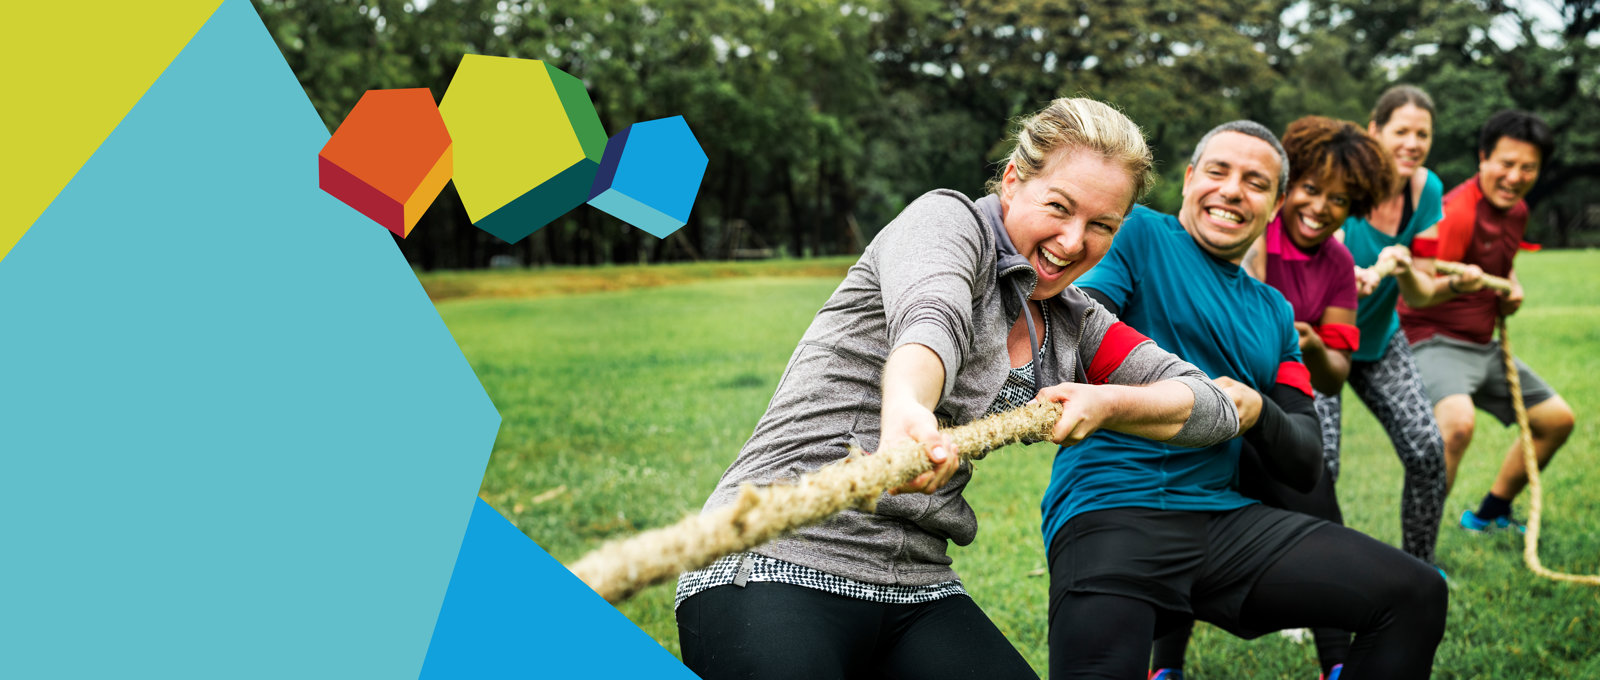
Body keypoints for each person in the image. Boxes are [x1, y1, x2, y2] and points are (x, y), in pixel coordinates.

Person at [672, 98, 1242, 680]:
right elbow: (931, 320)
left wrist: (1109, 401)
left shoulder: (1077, 322)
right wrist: (907, 414)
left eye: (1102, 226)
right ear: (1014, 182)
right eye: (1059, 208)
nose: (1073, 242)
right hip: (774, 556)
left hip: (916, 584)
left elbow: (1212, 408)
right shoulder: (947, 223)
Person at [1044, 120, 1447, 680]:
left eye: (1255, 182)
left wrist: (1257, 409)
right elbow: (1075, 332)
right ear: (1188, 179)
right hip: (1113, 513)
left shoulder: (1276, 313)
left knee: (1417, 592)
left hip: (1221, 524)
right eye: (1218, 171)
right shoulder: (1138, 236)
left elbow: (1305, 460)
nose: (1233, 190)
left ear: (1276, 202)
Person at [1150, 116, 1397, 680]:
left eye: (1341, 199)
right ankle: (1165, 667)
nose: (1321, 207)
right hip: (1205, 400)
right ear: (1288, 192)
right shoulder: (1248, 227)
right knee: (1180, 513)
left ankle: (1336, 662)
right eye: (1312, 190)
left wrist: (1304, 340)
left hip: (1279, 409)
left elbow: (1334, 374)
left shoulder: (1335, 265)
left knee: (1319, 509)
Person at [1397, 109, 1576, 533]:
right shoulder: (1455, 212)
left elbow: (1501, 265)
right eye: (1506, 164)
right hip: (1433, 338)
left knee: (1556, 421)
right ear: (1483, 159)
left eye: (1527, 167)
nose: (1515, 176)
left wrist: (1510, 288)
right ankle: (1418, 552)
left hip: (1483, 345)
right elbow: (1417, 290)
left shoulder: (1516, 212)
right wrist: (1462, 287)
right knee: (1457, 424)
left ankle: (1489, 514)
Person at [1328, 85, 1472, 566]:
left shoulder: (1426, 189)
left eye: (1423, 134)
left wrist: (1407, 267)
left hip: (1378, 340)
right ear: (1375, 131)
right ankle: (1305, 590)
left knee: (1429, 451)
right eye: (1402, 131)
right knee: (1317, 467)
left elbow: (1422, 293)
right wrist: (1339, 277)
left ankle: (1419, 570)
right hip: (1315, 342)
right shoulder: (1341, 182)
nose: (1413, 143)